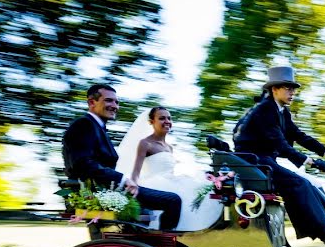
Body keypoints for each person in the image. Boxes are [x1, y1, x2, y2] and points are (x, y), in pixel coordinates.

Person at [233, 65, 325, 245]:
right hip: (253, 163)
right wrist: (312, 163)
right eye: (288, 88)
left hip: (264, 161)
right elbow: (281, 145)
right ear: (274, 89)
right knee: (298, 183)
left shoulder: (281, 111)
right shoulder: (264, 110)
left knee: (306, 183)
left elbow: (299, 136)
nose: (292, 92)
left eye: (293, 89)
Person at [62, 84, 182, 230]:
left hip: (109, 189)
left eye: (116, 102)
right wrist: (123, 179)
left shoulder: (97, 128)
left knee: (163, 204)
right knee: (173, 201)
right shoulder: (83, 125)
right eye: (108, 101)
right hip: (98, 190)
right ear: (92, 102)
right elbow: (83, 164)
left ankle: (145, 246)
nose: (114, 106)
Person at [116, 106, 222, 231]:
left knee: (204, 192)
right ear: (151, 122)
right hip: (153, 184)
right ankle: (164, 234)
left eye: (169, 118)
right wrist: (133, 187)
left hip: (170, 182)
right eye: (161, 118)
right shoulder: (145, 143)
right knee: (175, 200)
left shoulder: (169, 147)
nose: (167, 121)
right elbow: (136, 172)